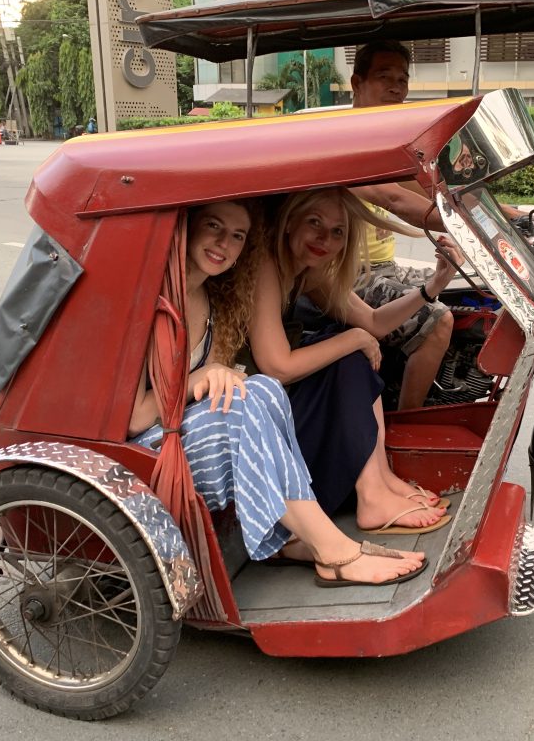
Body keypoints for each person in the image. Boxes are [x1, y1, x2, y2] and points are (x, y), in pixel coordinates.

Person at [129, 199, 426, 587]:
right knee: (247, 398)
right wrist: (197, 378)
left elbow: (234, 376)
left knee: (263, 388)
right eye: (214, 227)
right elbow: (133, 419)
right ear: (188, 229)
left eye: (237, 236)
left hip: (187, 432)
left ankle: (301, 537)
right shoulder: (148, 301)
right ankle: (333, 551)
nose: (224, 242)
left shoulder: (215, 300)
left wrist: (219, 374)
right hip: (148, 450)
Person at [249, 187, 463, 535]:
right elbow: (278, 367)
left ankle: (382, 480)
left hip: (275, 405)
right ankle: (373, 496)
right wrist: (354, 339)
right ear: (288, 223)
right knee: (347, 347)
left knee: (352, 352)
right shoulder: (266, 267)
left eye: (337, 232)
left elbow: (374, 322)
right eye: (314, 223)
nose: (324, 238)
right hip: (256, 421)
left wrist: (435, 285)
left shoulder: (307, 271)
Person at [348, 40, 524, 410]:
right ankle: (409, 425)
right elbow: (395, 199)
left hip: (382, 269)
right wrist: (468, 225)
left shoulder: (387, 142)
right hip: (346, 278)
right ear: (357, 83)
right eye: (384, 77)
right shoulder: (345, 140)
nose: (397, 86)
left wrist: (511, 216)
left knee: (479, 298)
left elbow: (437, 189)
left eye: (402, 78)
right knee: (438, 320)